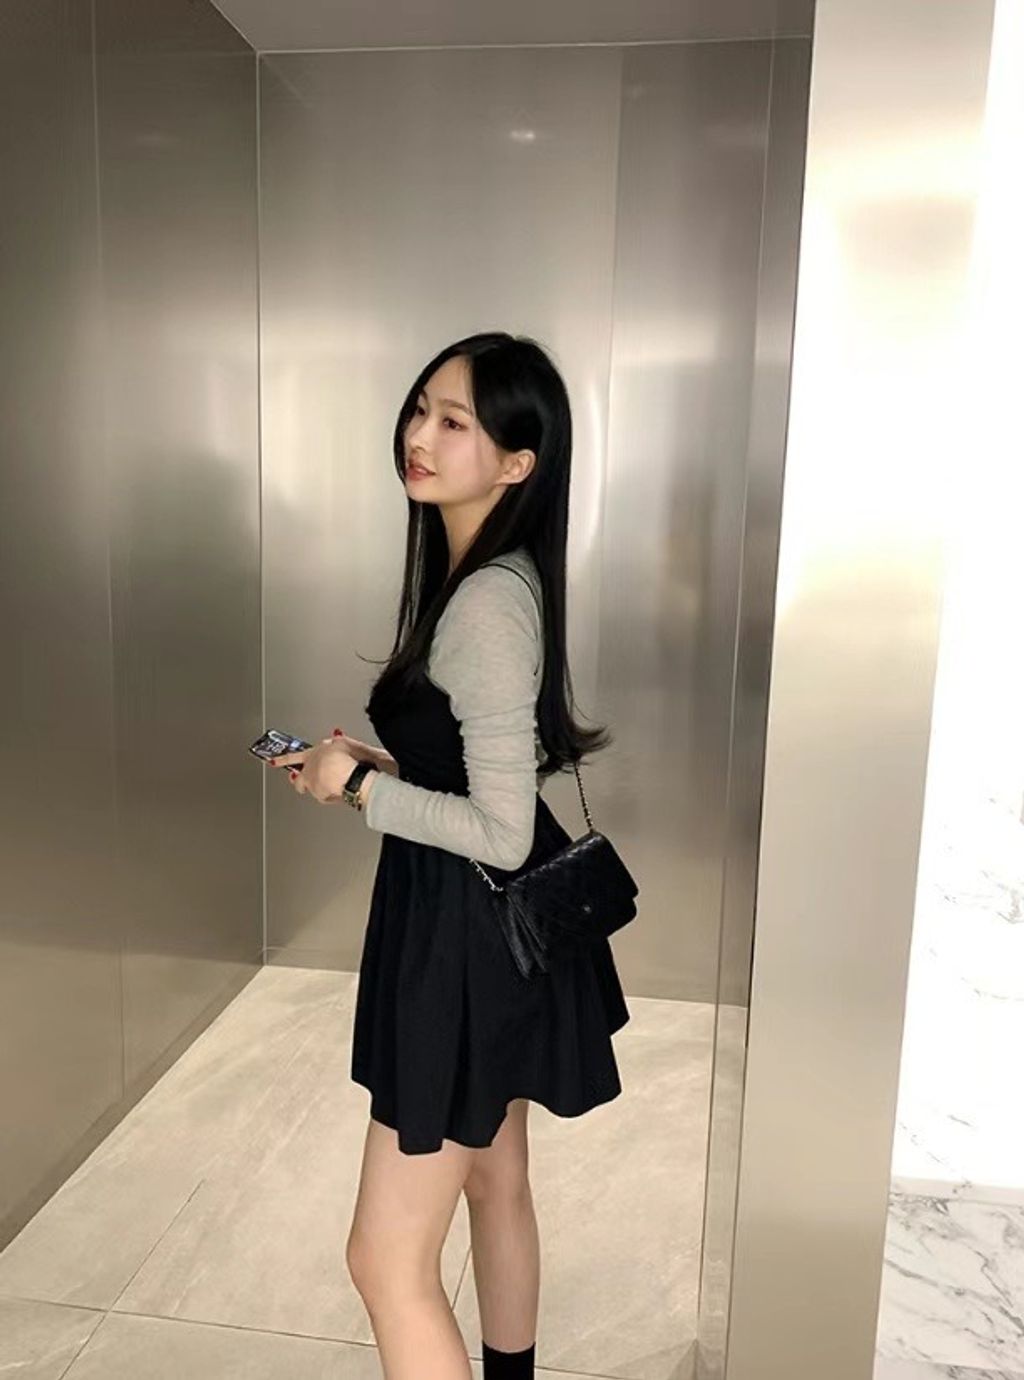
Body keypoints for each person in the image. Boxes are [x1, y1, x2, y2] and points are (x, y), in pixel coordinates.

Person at [269, 331, 630, 1379]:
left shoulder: (485, 604)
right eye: (421, 408)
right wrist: (379, 764)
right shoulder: (487, 577)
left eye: (455, 421)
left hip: (468, 945)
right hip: (484, 932)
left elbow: (500, 833)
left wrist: (362, 791)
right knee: (493, 1179)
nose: (419, 436)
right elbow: (481, 769)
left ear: (518, 462)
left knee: (385, 1262)